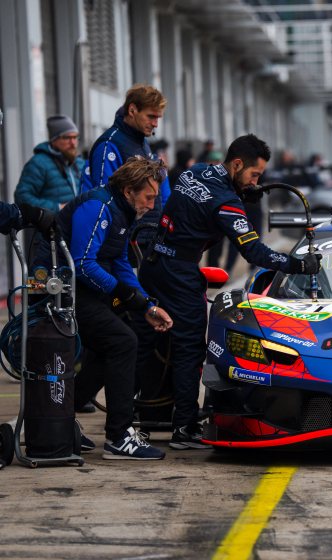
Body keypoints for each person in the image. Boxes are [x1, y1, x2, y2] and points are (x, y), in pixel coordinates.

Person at [133, 134, 321, 450]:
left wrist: (241, 190)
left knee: (140, 346)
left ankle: (125, 424)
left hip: (153, 264)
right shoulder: (226, 202)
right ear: (237, 164)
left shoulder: (195, 172)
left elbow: (200, 202)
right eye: (254, 174)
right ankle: (185, 429)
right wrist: (299, 266)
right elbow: (256, 253)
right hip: (179, 274)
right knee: (190, 348)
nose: (256, 181)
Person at [34, 157, 174, 460]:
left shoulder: (124, 211)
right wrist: (126, 295)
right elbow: (83, 264)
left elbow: (121, 262)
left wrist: (146, 305)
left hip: (78, 287)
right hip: (56, 290)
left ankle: (61, 420)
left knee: (109, 344)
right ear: (128, 190)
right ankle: (119, 437)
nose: (152, 205)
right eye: (149, 197)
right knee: (123, 342)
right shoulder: (99, 207)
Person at [82, 84, 170, 251]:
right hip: (124, 244)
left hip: (146, 239)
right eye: (151, 116)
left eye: (158, 118)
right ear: (132, 110)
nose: (156, 124)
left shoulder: (143, 142)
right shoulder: (110, 144)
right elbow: (102, 199)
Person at [14, 115, 84, 261]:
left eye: (75, 137)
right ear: (54, 139)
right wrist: (58, 207)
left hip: (76, 239)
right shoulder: (39, 163)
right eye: (66, 137)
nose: (73, 142)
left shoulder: (80, 163)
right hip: (46, 241)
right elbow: (22, 196)